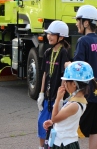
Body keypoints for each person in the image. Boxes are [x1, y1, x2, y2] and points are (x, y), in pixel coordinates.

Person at [65, 5, 97, 149]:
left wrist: (67, 65)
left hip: (86, 93)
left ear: (86, 22)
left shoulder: (83, 41)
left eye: (78, 20)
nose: (76, 23)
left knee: (71, 128)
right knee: (95, 130)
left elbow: (78, 67)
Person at [43, 61, 97, 149]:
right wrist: (53, 123)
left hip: (63, 144)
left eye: (66, 81)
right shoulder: (78, 101)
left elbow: (55, 118)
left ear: (74, 84)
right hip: (62, 141)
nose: (64, 84)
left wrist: (58, 99)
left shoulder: (75, 105)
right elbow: (61, 117)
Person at [37, 21, 71, 149]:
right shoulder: (47, 52)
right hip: (46, 95)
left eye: (52, 34)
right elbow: (45, 74)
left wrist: (60, 97)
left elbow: (65, 76)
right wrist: (41, 93)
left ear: (61, 37)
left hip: (57, 97)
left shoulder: (64, 53)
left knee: (56, 125)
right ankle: (41, 147)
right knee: (42, 122)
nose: (49, 36)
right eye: (48, 34)